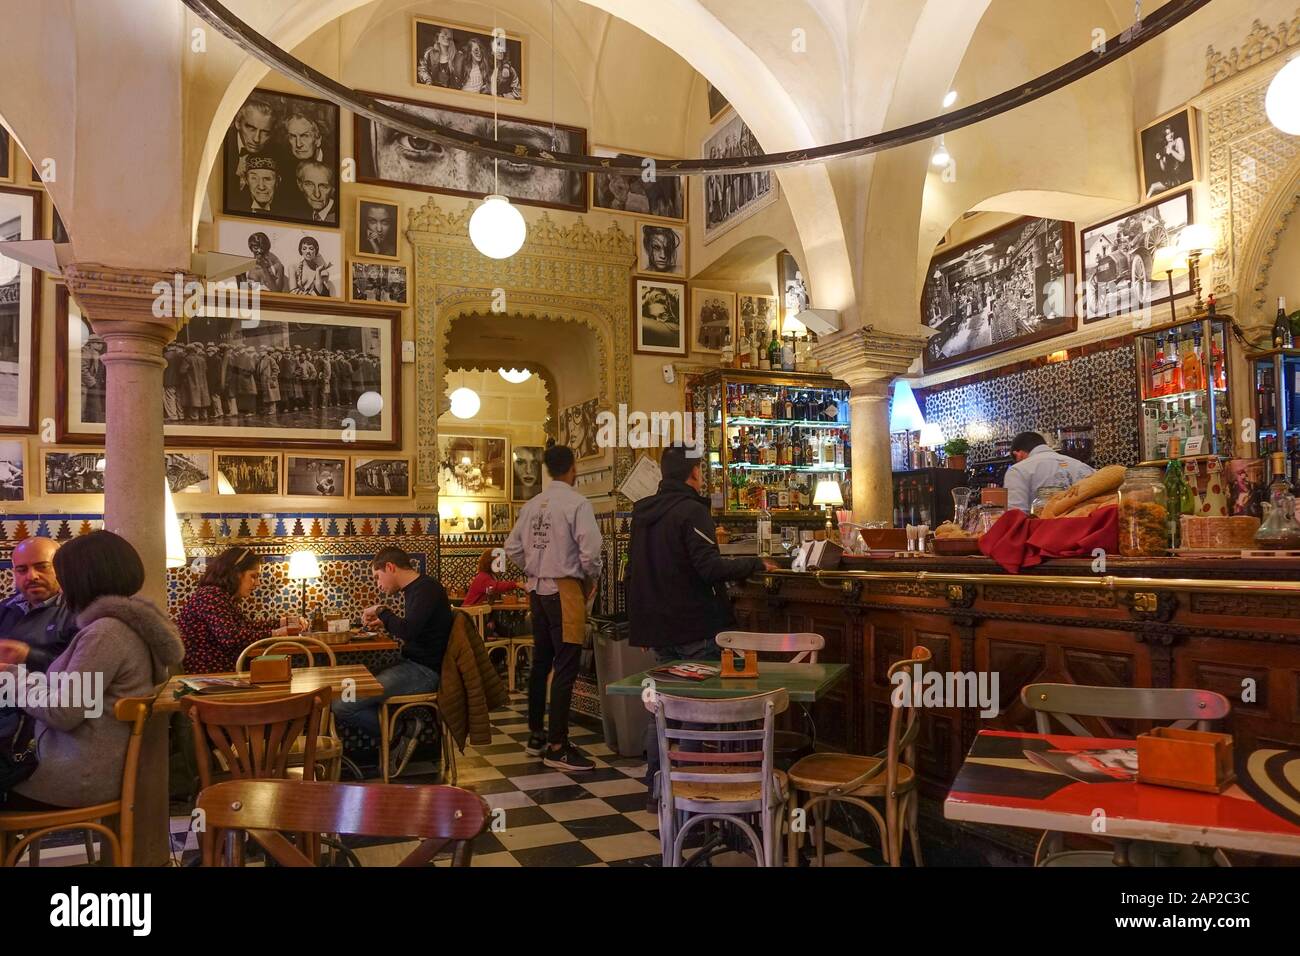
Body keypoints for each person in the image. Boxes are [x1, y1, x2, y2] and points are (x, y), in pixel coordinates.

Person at [626, 445, 776, 805]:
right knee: (693, 713)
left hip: (660, 630)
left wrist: (642, 626)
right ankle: (686, 792)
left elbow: (633, 574)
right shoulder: (691, 511)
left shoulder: (642, 513)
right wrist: (756, 563)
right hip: (694, 625)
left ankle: (656, 787)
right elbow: (709, 569)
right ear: (693, 473)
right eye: (701, 469)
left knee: (662, 708)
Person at [1, 531, 185, 810]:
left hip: (72, 776)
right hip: (75, 764)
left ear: (81, 578)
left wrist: (12, 675)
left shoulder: (106, 634)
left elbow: (64, 712)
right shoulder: (121, 626)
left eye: (62, 573)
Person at [504, 444, 603, 771]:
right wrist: (590, 579)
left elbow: (512, 548)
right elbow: (590, 553)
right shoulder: (577, 503)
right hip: (564, 589)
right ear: (573, 467)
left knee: (542, 662)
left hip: (536, 589)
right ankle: (558, 746)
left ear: (547, 469)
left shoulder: (532, 505)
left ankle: (536, 736)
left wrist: (535, 567)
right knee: (565, 666)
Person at [332, 547, 454, 777]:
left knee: (341, 704)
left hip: (424, 672)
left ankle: (402, 730)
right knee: (350, 686)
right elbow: (416, 629)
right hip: (413, 665)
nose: (379, 584)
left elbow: (408, 631)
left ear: (390, 567)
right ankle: (400, 730)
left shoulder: (426, 588)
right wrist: (384, 622)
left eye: (378, 577)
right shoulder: (417, 589)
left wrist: (382, 611)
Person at [176, 547, 305, 674]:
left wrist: (282, 622)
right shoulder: (210, 596)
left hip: (216, 673)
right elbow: (230, 637)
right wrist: (277, 633)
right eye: (253, 576)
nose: (257, 583)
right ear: (235, 573)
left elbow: (245, 626)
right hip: (208, 677)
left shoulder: (220, 596)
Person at [0, 538, 80, 740]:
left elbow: (80, 675)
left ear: (61, 569)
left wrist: (27, 655)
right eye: (22, 570)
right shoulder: (5, 609)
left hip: (42, 730)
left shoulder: (79, 612)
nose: (32, 576)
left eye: (41, 567)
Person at [1003, 431, 1095, 513]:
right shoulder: (1083, 466)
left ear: (1018, 454)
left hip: (1044, 530)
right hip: (1088, 529)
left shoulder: (1017, 470)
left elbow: (1015, 517)